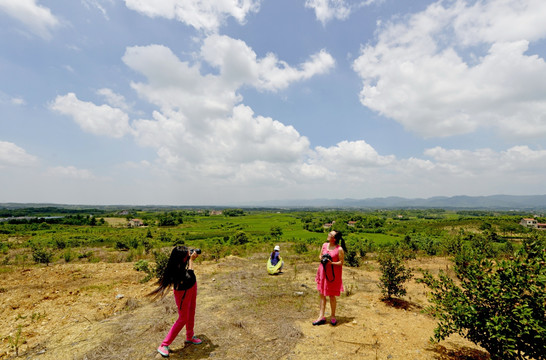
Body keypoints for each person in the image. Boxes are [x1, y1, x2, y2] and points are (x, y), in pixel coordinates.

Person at [149, 246, 203, 358]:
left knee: (191, 312)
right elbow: (190, 274)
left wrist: (189, 259)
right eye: (188, 253)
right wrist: (191, 260)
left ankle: (189, 336)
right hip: (183, 293)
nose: (190, 253)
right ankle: (164, 345)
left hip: (192, 287)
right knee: (183, 318)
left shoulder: (180, 262)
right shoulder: (177, 269)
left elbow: (190, 277)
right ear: (182, 258)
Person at [313, 230, 346, 326]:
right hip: (322, 272)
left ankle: (333, 316)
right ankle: (321, 316)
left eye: (330, 234)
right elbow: (320, 255)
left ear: (334, 239)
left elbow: (341, 262)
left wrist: (331, 263)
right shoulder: (324, 245)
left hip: (333, 275)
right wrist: (322, 259)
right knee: (322, 294)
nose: (328, 235)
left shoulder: (339, 249)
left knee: (332, 295)